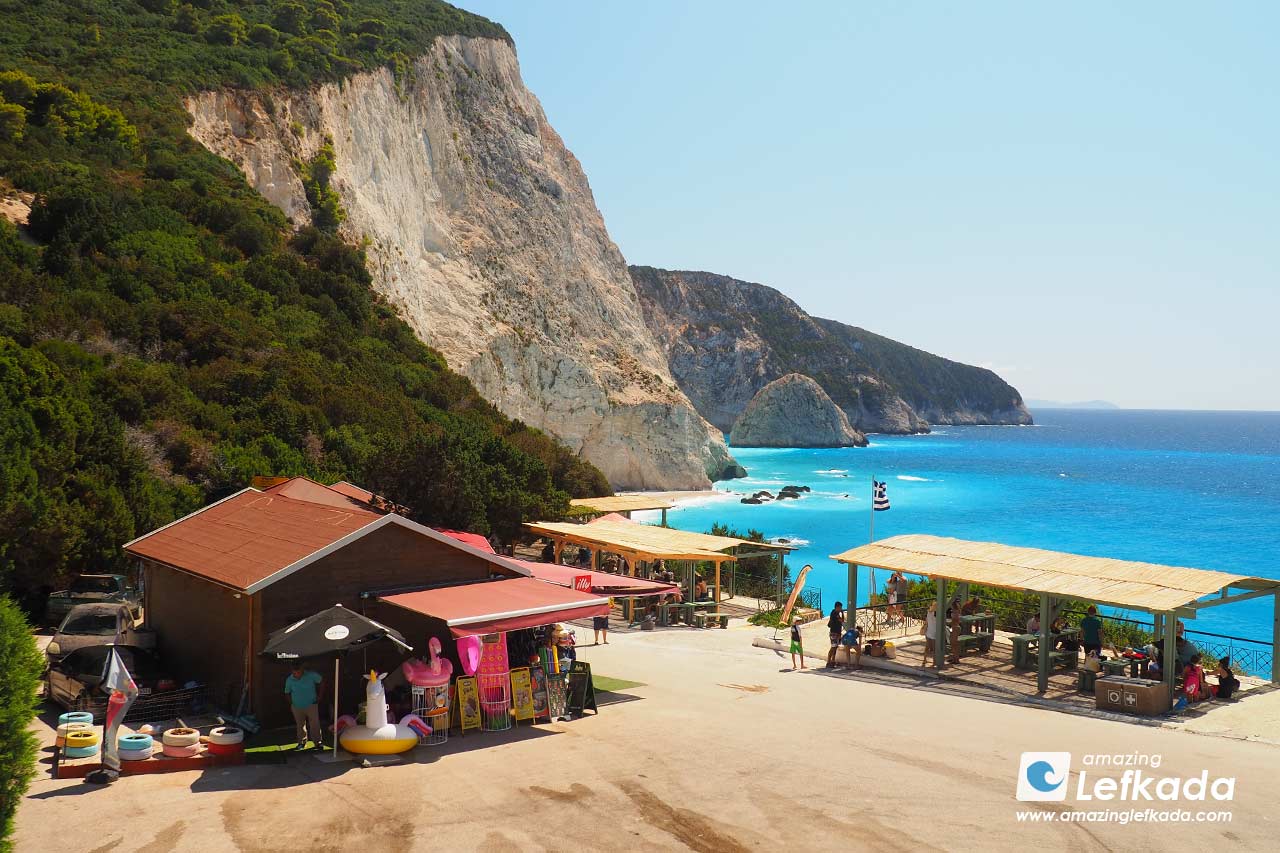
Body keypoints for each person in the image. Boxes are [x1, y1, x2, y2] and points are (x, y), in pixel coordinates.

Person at [284, 664, 324, 750]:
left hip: (311, 704)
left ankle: (318, 743)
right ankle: (301, 743)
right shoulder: (289, 679)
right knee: (300, 725)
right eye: (294, 673)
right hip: (297, 706)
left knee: (315, 724)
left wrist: (320, 696)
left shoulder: (311, 675)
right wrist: (292, 703)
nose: (296, 675)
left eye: (298, 672)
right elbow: (287, 692)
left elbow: (321, 682)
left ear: (302, 670)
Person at [826, 602, 844, 668]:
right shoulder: (834, 613)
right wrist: (842, 613)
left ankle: (832, 661)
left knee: (835, 647)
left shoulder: (835, 613)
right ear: (837, 607)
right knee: (833, 647)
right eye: (840, 608)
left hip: (837, 633)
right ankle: (828, 661)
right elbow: (842, 620)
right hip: (834, 633)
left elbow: (841, 621)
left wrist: (841, 613)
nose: (841, 609)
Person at [922, 601, 938, 666]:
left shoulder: (929, 613)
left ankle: (924, 660)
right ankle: (934, 662)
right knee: (934, 649)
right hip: (934, 632)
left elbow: (926, 622)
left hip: (929, 632)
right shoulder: (937, 614)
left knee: (927, 647)